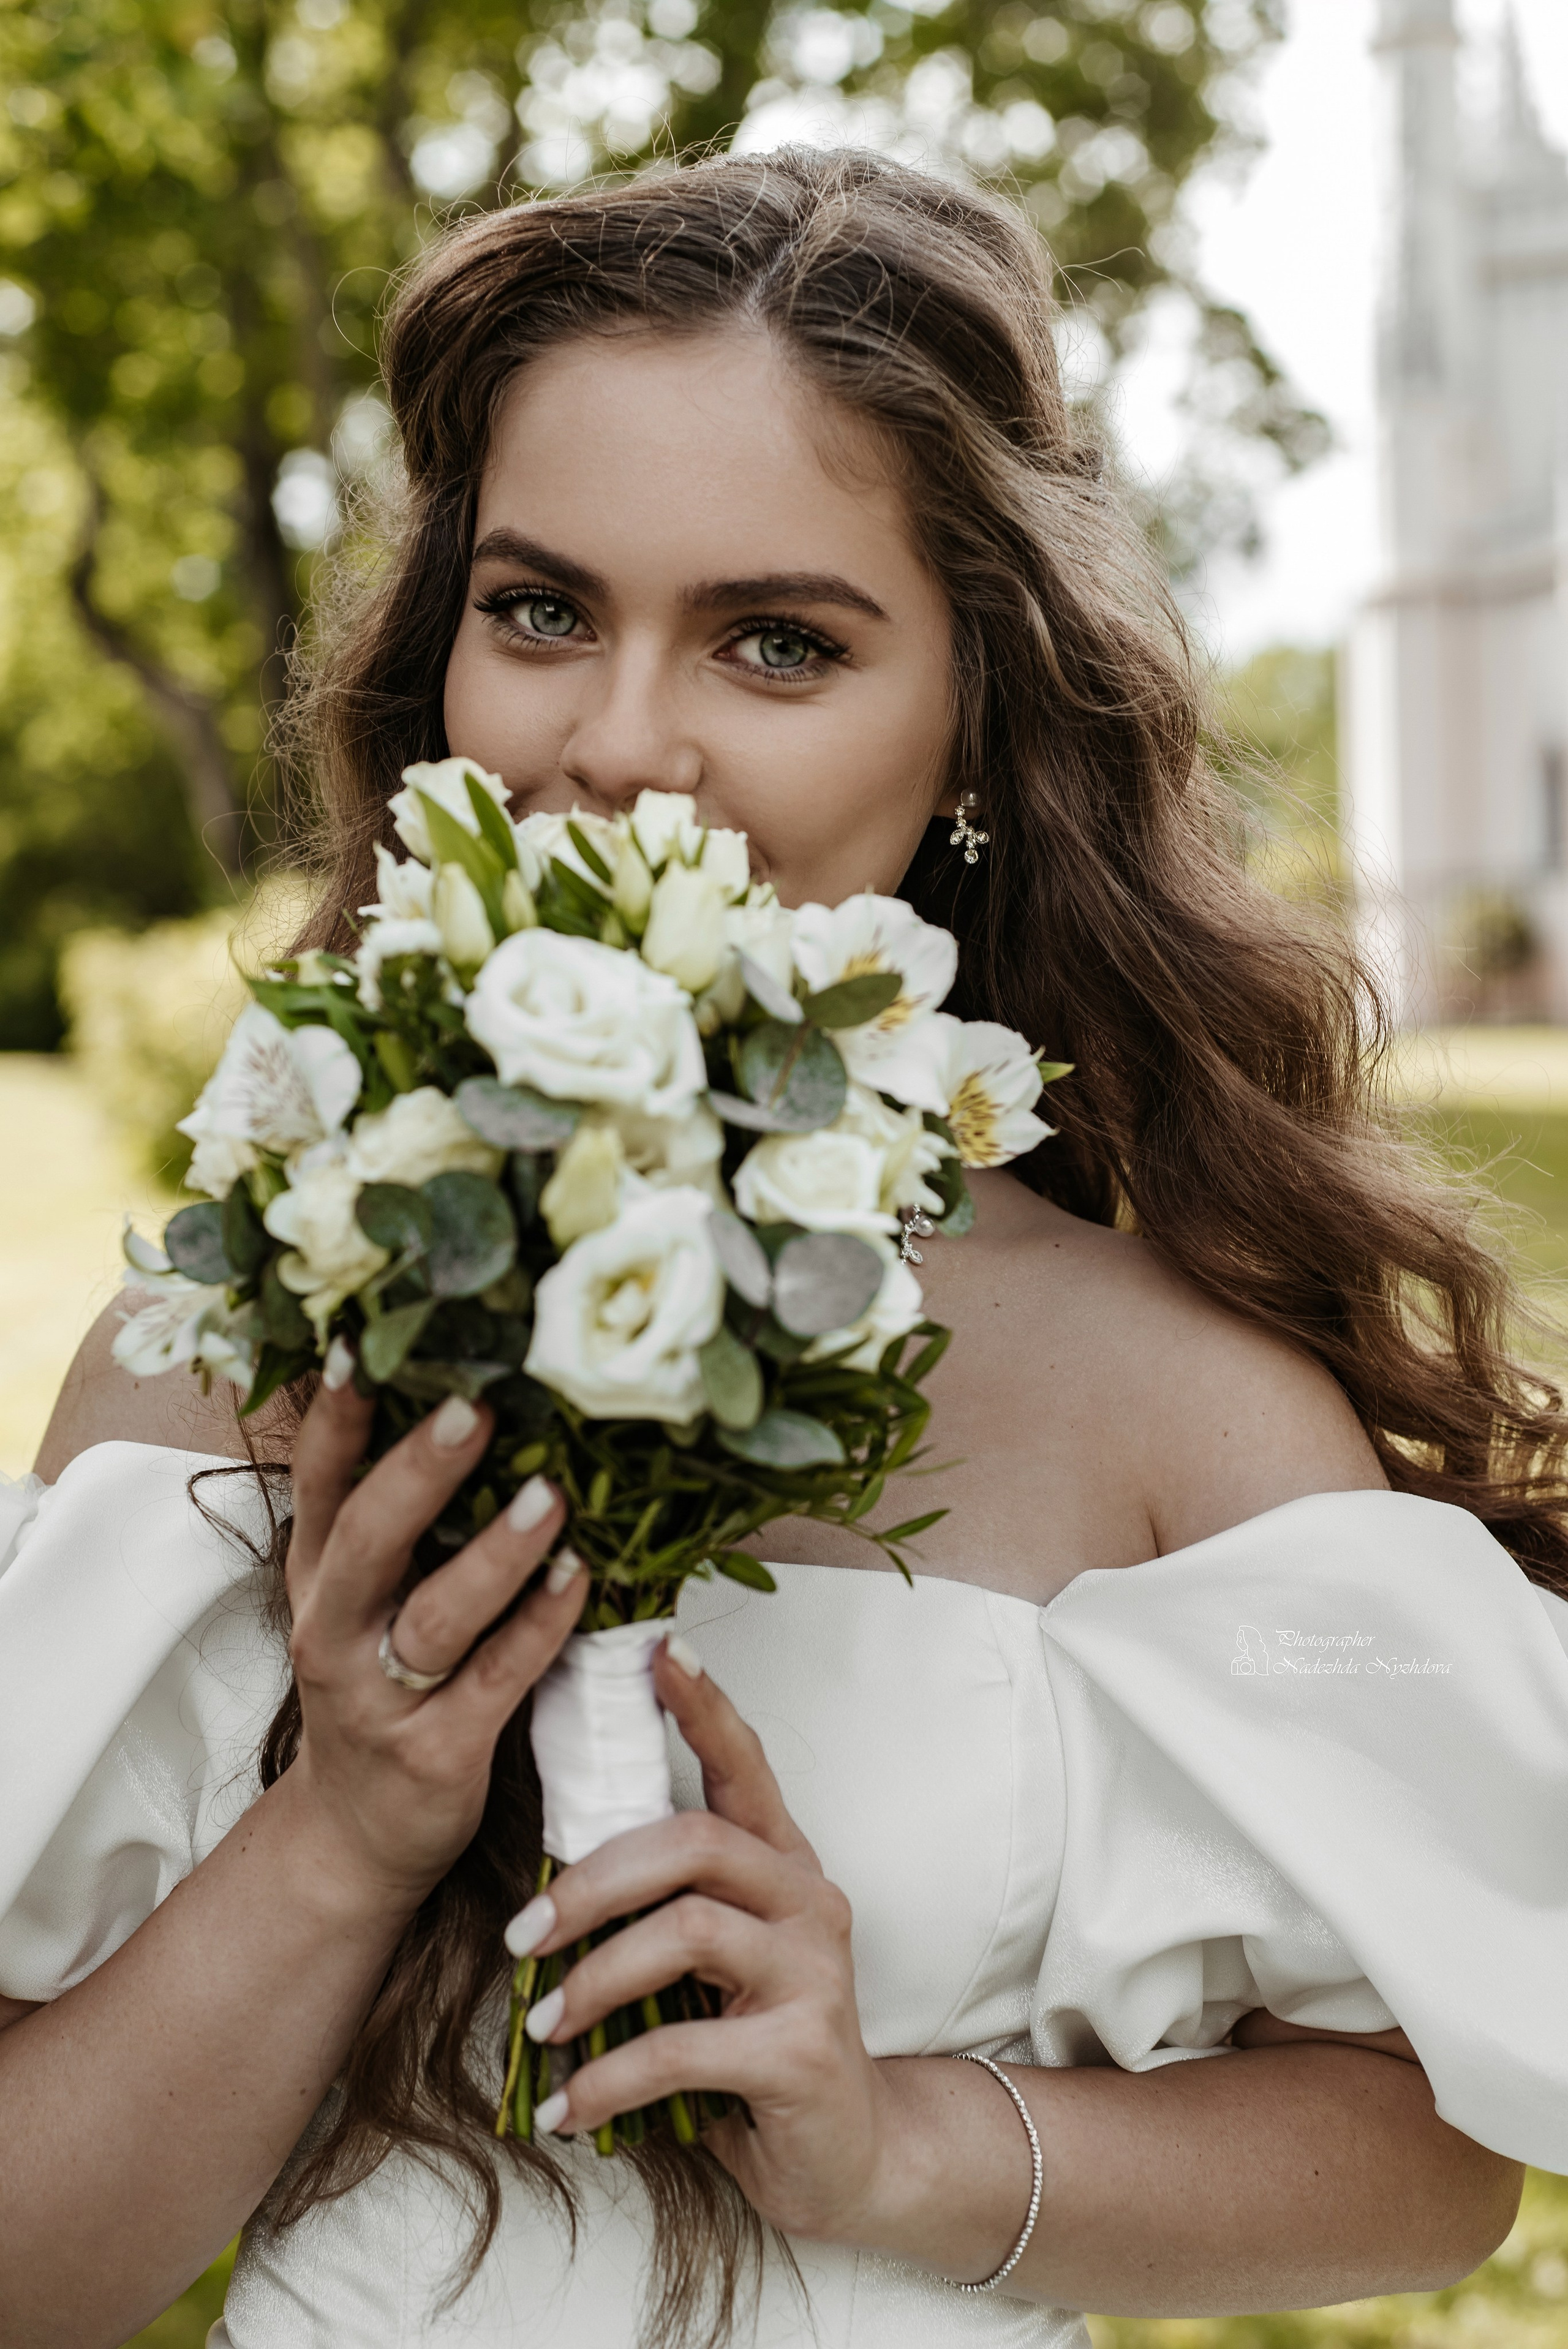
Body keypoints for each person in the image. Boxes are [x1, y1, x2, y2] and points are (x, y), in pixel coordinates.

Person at [2, 147, 1566, 2349]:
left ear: (979, 727)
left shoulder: (1173, 1409)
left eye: (779, 641)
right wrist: (346, 1829)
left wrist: (897, 2138)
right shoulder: (225, 1354)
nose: (621, 744)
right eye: (540, 608)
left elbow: (1421, 2166)